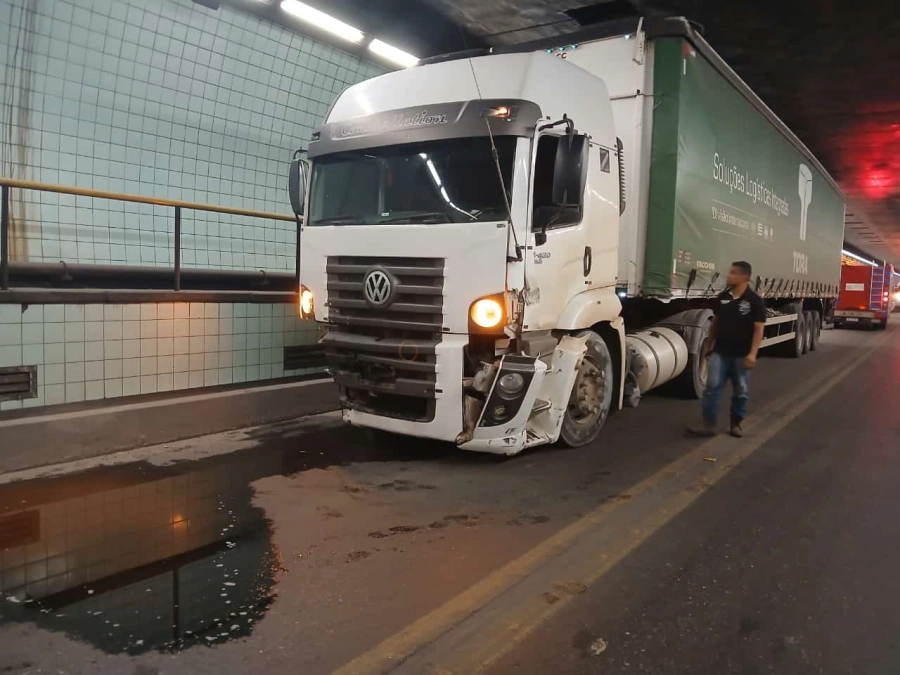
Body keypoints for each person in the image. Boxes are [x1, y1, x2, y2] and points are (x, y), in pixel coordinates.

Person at [689, 261, 766, 438]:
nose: (728, 275)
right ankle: (708, 424)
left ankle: (736, 423)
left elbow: (758, 330)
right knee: (712, 387)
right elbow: (715, 324)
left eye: (733, 273)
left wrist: (753, 354)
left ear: (744, 277)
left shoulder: (754, 301)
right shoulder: (722, 298)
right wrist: (709, 347)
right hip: (720, 352)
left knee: (741, 390)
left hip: (742, 354)